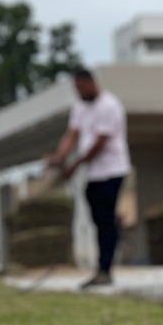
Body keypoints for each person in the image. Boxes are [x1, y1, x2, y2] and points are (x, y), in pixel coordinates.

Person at [45, 68, 132, 288]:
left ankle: (105, 268)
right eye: (76, 89)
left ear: (91, 83)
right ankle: (102, 265)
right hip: (93, 174)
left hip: (112, 170)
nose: (80, 92)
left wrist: (74, 165)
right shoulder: (80, 108)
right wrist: (59, 157)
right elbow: (71, 135)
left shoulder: (109, 106)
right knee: (97, 218)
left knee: (105, 218)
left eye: (82, 87)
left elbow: (99, 143)